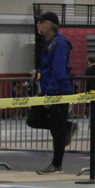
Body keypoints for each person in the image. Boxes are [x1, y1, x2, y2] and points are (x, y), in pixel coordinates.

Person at [33, 11, 76, 175]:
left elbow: (58, 71)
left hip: (58, 91)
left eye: (40, 22)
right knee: (33, 119)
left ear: (50, 25)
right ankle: (67, 126)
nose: (38, 25)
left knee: (57, 130)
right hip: (47, 89)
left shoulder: (59, 44)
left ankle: (57, 164)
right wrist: (37, 73)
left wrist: (51, 95)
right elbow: (47, 66)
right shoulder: (48, 43)